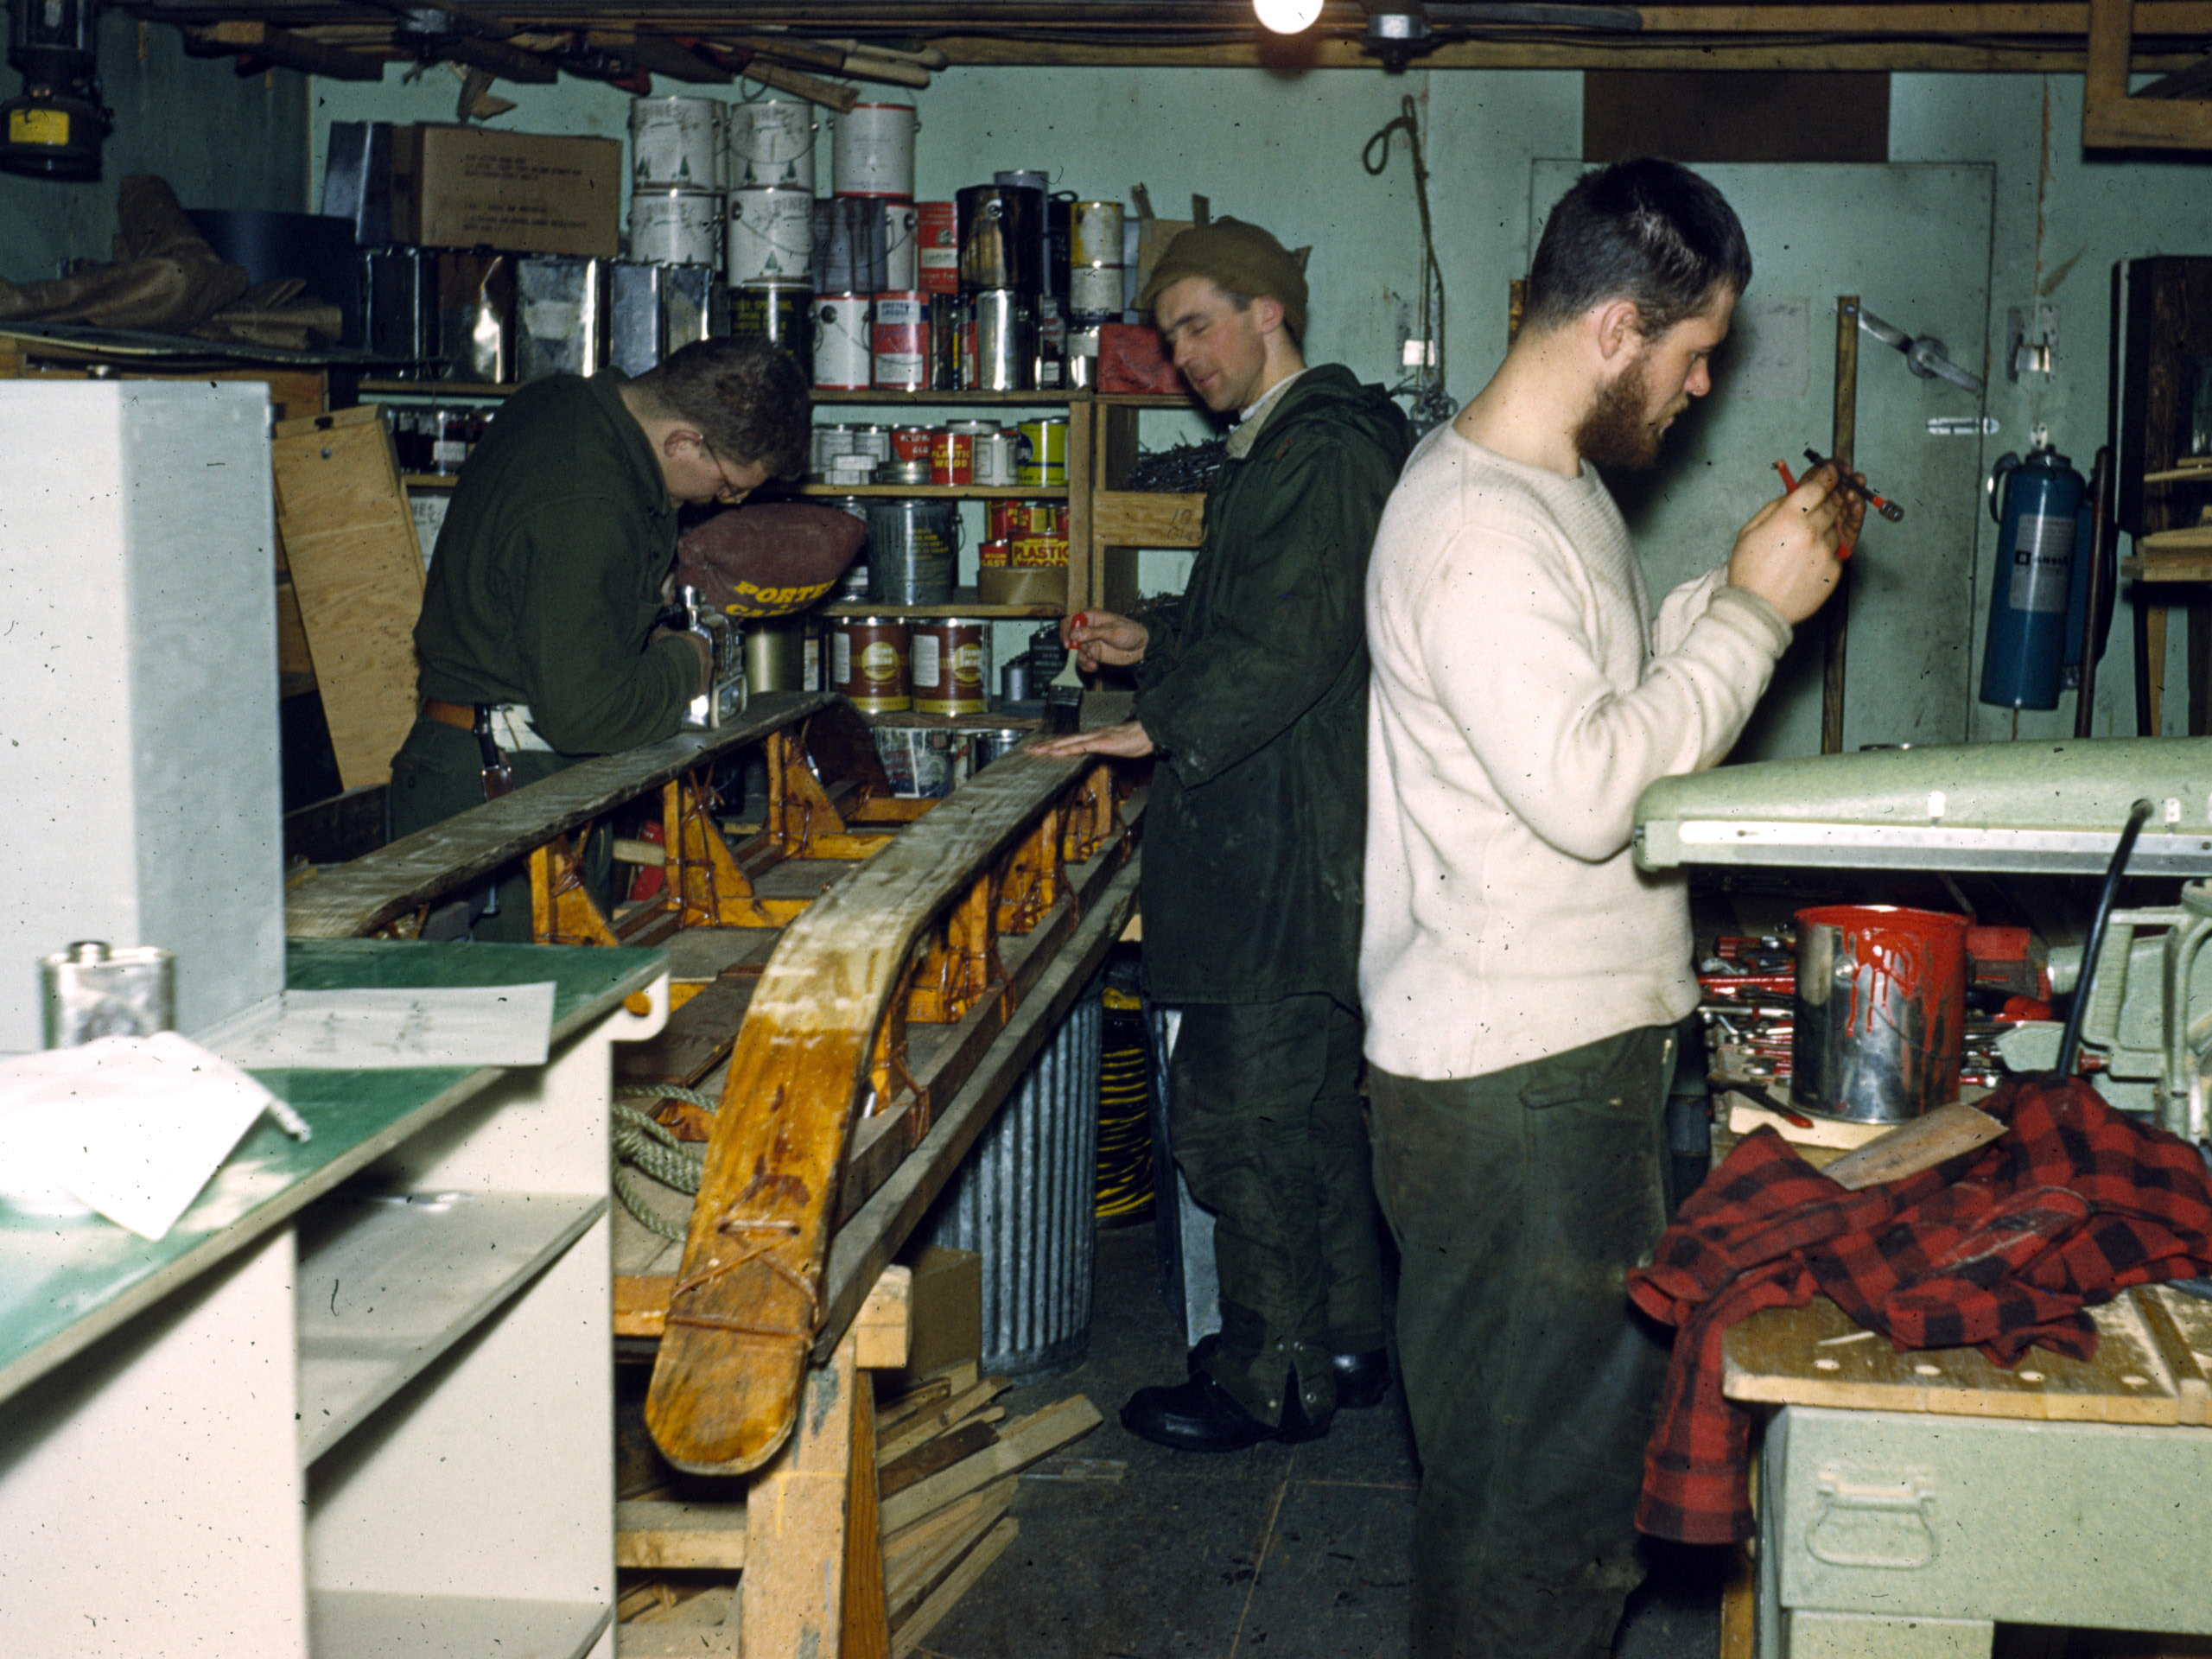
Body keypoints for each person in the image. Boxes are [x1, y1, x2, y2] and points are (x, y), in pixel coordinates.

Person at [1357, 158, 1861, 1656]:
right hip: (1521, 1091)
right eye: (1696, 353)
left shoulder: (1547, 491)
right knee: (1545, 1520)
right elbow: (1592, 793)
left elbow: (1605, 704)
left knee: (1543, 1492)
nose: (1703, 389)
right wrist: (1761, 619)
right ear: (1619, 329)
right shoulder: (1476, 532)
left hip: (1562, 1065)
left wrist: (1723, 589)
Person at [1033, 218, 1412, 1450]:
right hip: (1287, 828)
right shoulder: (1282, 451)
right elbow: (1267, 625)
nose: (1183, 355)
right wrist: (1157, 648)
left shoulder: (1317, 450)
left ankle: (1270, 1376)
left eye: (1200, 324)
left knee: (1241, 1113)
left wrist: (1156, 725)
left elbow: (1296, 644)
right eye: (1169, 333)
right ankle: (1345, 1338)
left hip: (1282, 841)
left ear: (1269, 313)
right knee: (1302, 1111)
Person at [388, 339, 810, 940]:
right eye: (725, 485)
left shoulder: (563, 403)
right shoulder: (592, 503)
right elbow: (588, 714)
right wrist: (689, 661)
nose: (723, 501)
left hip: (490, 767)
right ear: (683, 441)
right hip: (496, 797)